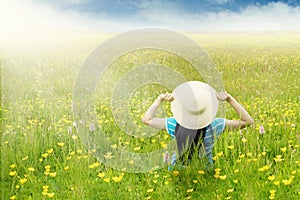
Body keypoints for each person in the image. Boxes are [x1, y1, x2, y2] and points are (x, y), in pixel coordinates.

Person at [142, 81, 254, 170]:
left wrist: (160, 98)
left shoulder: (174, 124)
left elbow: (147, 119)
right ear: (207, 108)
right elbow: (248, 122)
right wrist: (230, 99)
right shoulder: (215, 125)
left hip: (177, 168)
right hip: (205, 169)